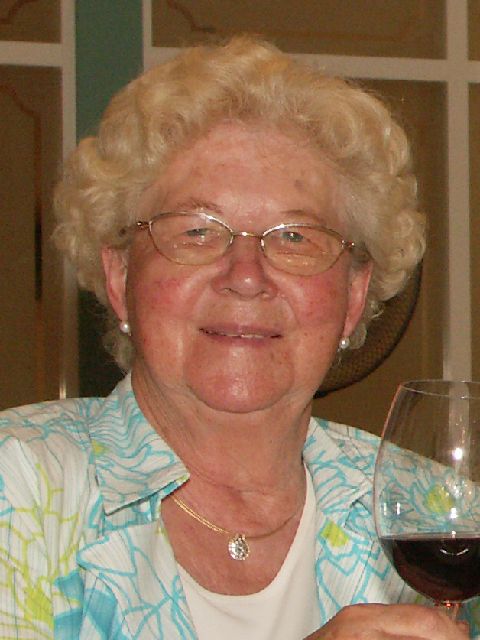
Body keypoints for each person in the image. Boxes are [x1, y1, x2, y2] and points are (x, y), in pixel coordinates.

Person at [0, 35, 475, 639]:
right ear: (120, 278)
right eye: (197, 231)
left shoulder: (430, 507)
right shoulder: (19, 484)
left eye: (295, 237)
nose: (247, 275)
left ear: (354, 297)